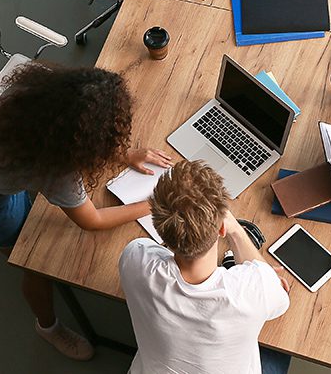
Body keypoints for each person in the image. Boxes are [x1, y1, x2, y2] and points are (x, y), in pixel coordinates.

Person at [0, 63, 173, 361]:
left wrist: (123, 154)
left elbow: (74, 129)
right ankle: (48, 327)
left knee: (30, 236)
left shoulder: (39, 88)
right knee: (34, 263)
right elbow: (93, 220)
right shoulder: (59, 174)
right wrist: (152, 204)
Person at [119, 160, 293, 374]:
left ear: (159, 228)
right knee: (282, 349)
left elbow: (153, 250)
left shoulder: (135, 260)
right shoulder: (253, 290)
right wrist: (237, 231)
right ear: (222, 228)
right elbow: (280, 298)